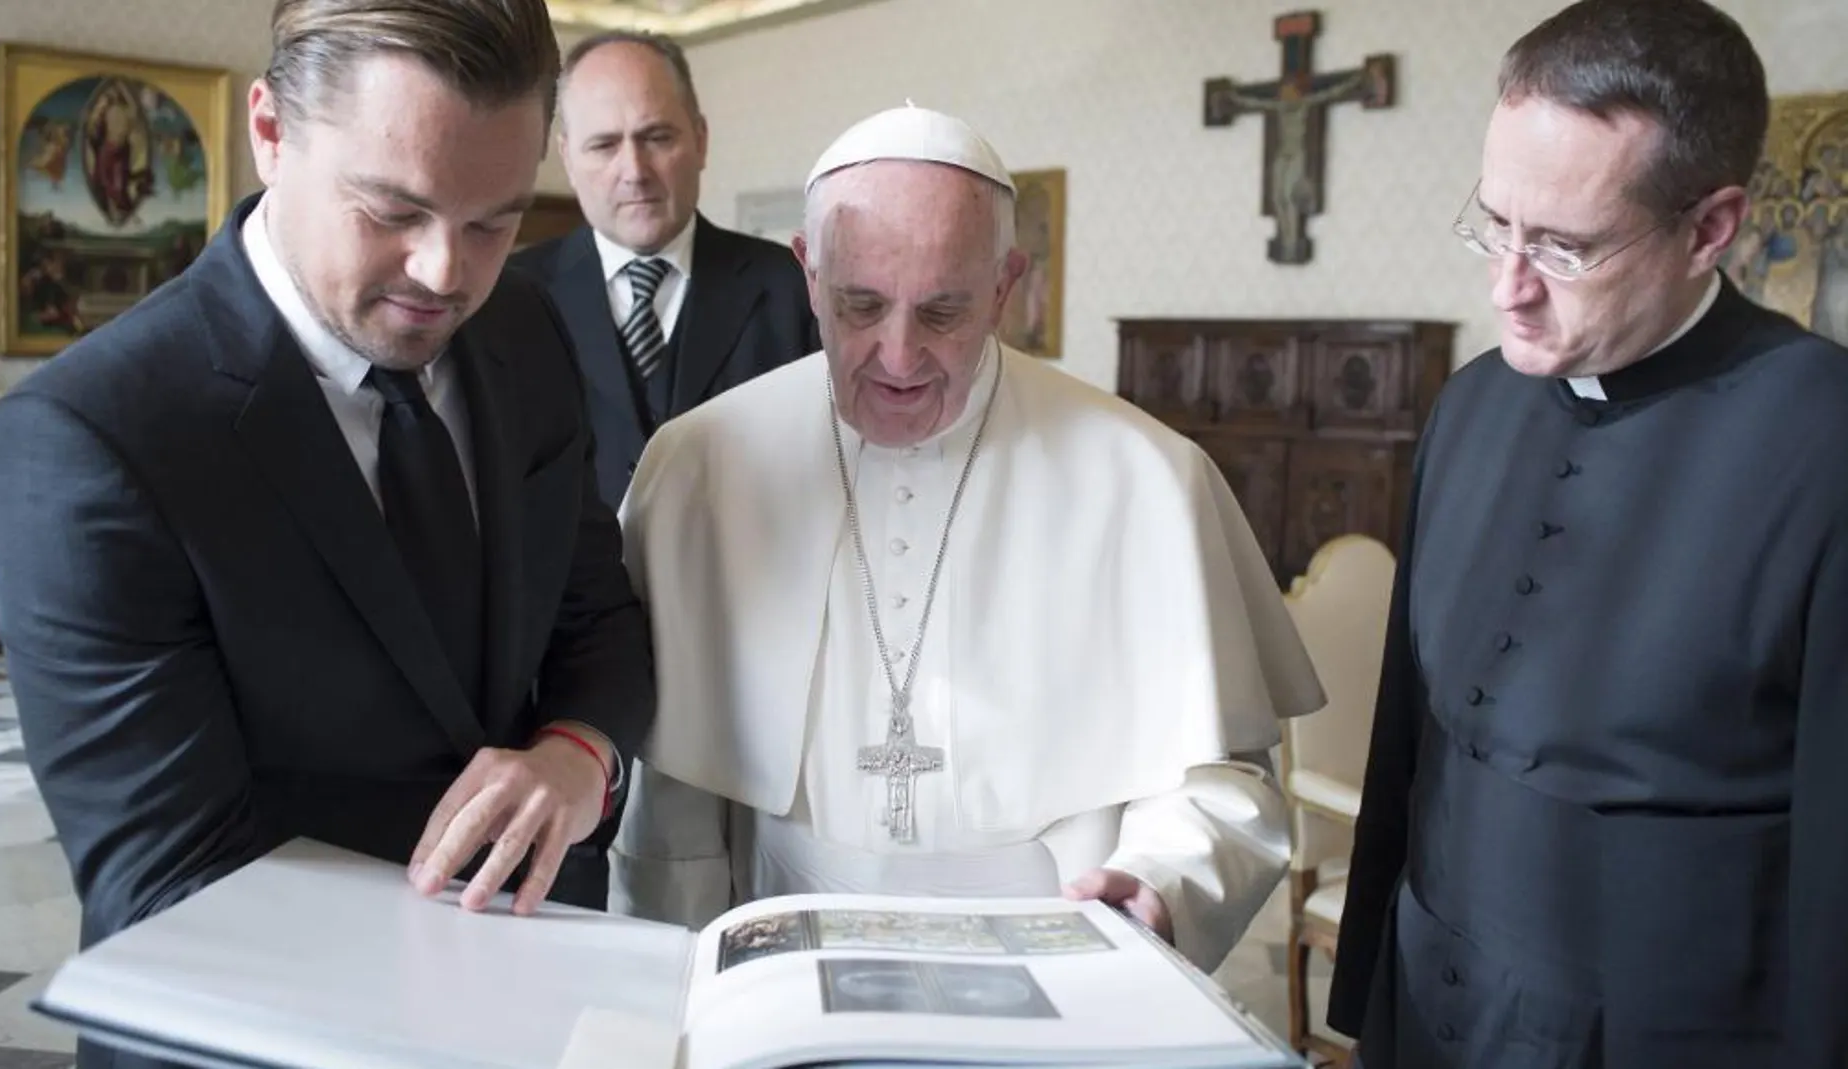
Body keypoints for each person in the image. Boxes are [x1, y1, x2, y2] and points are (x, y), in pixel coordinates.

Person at [0, 4, 654, 1065]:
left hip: (541, 1000)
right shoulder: (92, 438)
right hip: (253, 1035)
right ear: (270, 132)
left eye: (493, 222)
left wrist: (577, 755)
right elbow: (171, 886)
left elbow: (595, 614)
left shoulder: (522, 329)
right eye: (393, 209)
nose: (444, 274)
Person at [608, 103, 1326, 974]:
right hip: (776, 955)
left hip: (1055, 957)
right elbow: (674, 794)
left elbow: (1225, 785)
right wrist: (675, 976)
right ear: (808, 271)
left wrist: (1160, 885)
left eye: (943, 312)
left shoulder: (1145, 477)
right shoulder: (700, 466)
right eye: (860, 305)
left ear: (1004, 284)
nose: (899, 356)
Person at [1326, 2, 1848, 1066]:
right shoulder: (1470, 403)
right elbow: (1408, 744)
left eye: (1563, 248)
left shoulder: (1824, 437)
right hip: (1431, 1009)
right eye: (1494, 223)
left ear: (1709, 228)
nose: (1505, 288)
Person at [511, 31, 819, 509]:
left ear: (700, 139)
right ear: (568, 159)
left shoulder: (794, 288)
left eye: (657, 137)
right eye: (604, 145)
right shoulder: (510, 297)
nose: (634, 170)